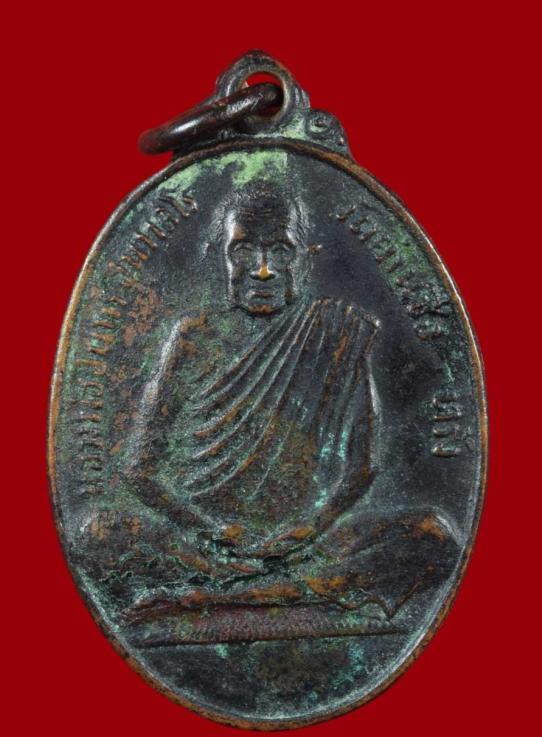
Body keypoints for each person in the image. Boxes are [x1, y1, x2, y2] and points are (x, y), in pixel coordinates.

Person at [82, 181, 459, 618]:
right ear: (220, 257)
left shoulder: (338, 330)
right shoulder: (192, 337)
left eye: (281, 251)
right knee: (96, 536)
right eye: (243, 252)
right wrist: (211, 532)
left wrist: (310, 528)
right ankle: (283, 590)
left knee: (435, 536)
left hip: (308, 543)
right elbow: (138, 472)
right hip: (210, 544)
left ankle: (220, 597)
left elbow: (364, 466)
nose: (263, 271)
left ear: (305, 258)